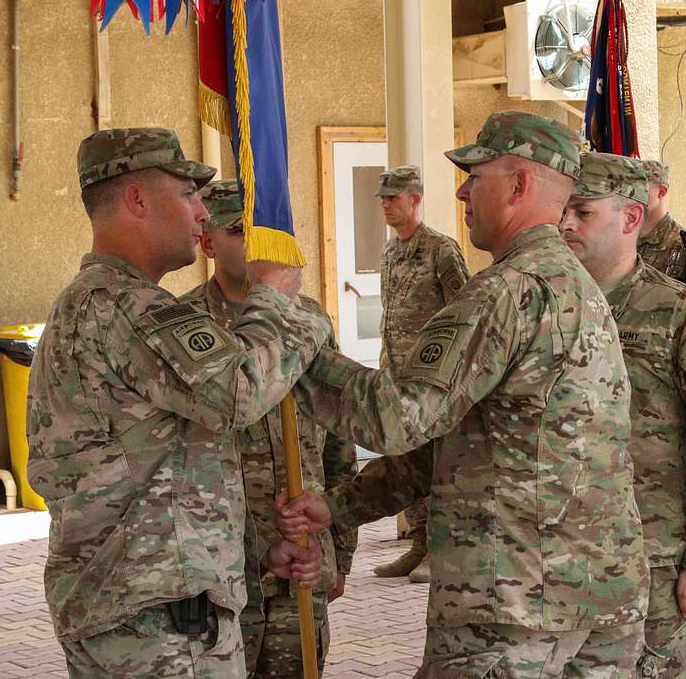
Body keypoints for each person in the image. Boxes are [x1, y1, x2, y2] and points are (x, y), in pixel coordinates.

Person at [277, 111, 649, 676]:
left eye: (475, 176)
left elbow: (397, 417)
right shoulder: (582, 288)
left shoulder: (507, 292)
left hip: (511, 600)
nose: (461, 191)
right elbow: (460, 442)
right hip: (595, 593)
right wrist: (341, 505)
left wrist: (292, 343)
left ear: (519, 184)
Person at [27, 128, 328, 677]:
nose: (200, 215)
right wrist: (280, 304)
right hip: (160, 627)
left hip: (146, 612)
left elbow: (165, 472)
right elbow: (239, 394)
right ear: (137, 200)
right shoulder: (126, 306)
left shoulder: (100, 303)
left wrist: (251, 553)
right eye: (188, 195)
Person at [559, 152, 686, 678]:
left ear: (629, 218)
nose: (564, 224)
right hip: (561, 556)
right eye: (563, 210)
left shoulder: (678, 312)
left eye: (581, 211)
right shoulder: (548, 307)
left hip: (657, 561)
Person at [180, 179, 358, 676]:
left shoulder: (307, 320)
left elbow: (338, 439)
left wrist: (339, 550)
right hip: (222, 569)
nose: (259, 247)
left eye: (267, 232)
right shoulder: (184, 325)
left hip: (301, 559)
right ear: (208, 242)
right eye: (241, 232)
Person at [373, 165, 469, 582]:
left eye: (394, 198)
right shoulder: (391, 253)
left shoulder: (441, 250)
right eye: (383, 198)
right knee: (404, 459)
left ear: (415, 199)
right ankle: (418, 543)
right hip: (396, 376)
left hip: (431, 381)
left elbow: (464, 311)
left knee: (435, 465)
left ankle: (441, 551)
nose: (386, 205)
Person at [637, 159, 686, 280]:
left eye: (641, 188)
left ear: (661, 192)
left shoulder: (682, 244)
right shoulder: (626, 235)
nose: (633, 195)